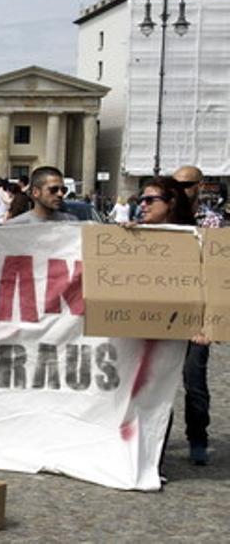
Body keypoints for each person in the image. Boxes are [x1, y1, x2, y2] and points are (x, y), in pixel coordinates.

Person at [136, 176, 205, 475]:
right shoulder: (134, 236)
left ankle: (159, 457)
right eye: (141, 199)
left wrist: (206, 325)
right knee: (141, 391)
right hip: (142, 328)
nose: (143, 205)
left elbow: (208, 285)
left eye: (150, 200)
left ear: (171, 203)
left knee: (172, 390)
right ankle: (139, 456)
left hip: (184, 329)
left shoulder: (194, 239)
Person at [169, 166, 216, 466]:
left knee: (194, 380)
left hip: (197, 316)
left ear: (199, 186)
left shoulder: (213, 223)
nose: (180, 189)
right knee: (156, 381)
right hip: (165, 312)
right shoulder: (167, 219)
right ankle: (156, 440)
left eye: (185, 184)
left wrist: (215, 321)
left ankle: (197, 437)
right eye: (175, 184)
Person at [4, 166, 78, 224]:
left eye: (63, 190)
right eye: (53, 190)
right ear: (36, 192)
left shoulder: (72, 222)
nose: (60, 194)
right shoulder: (15, 226)